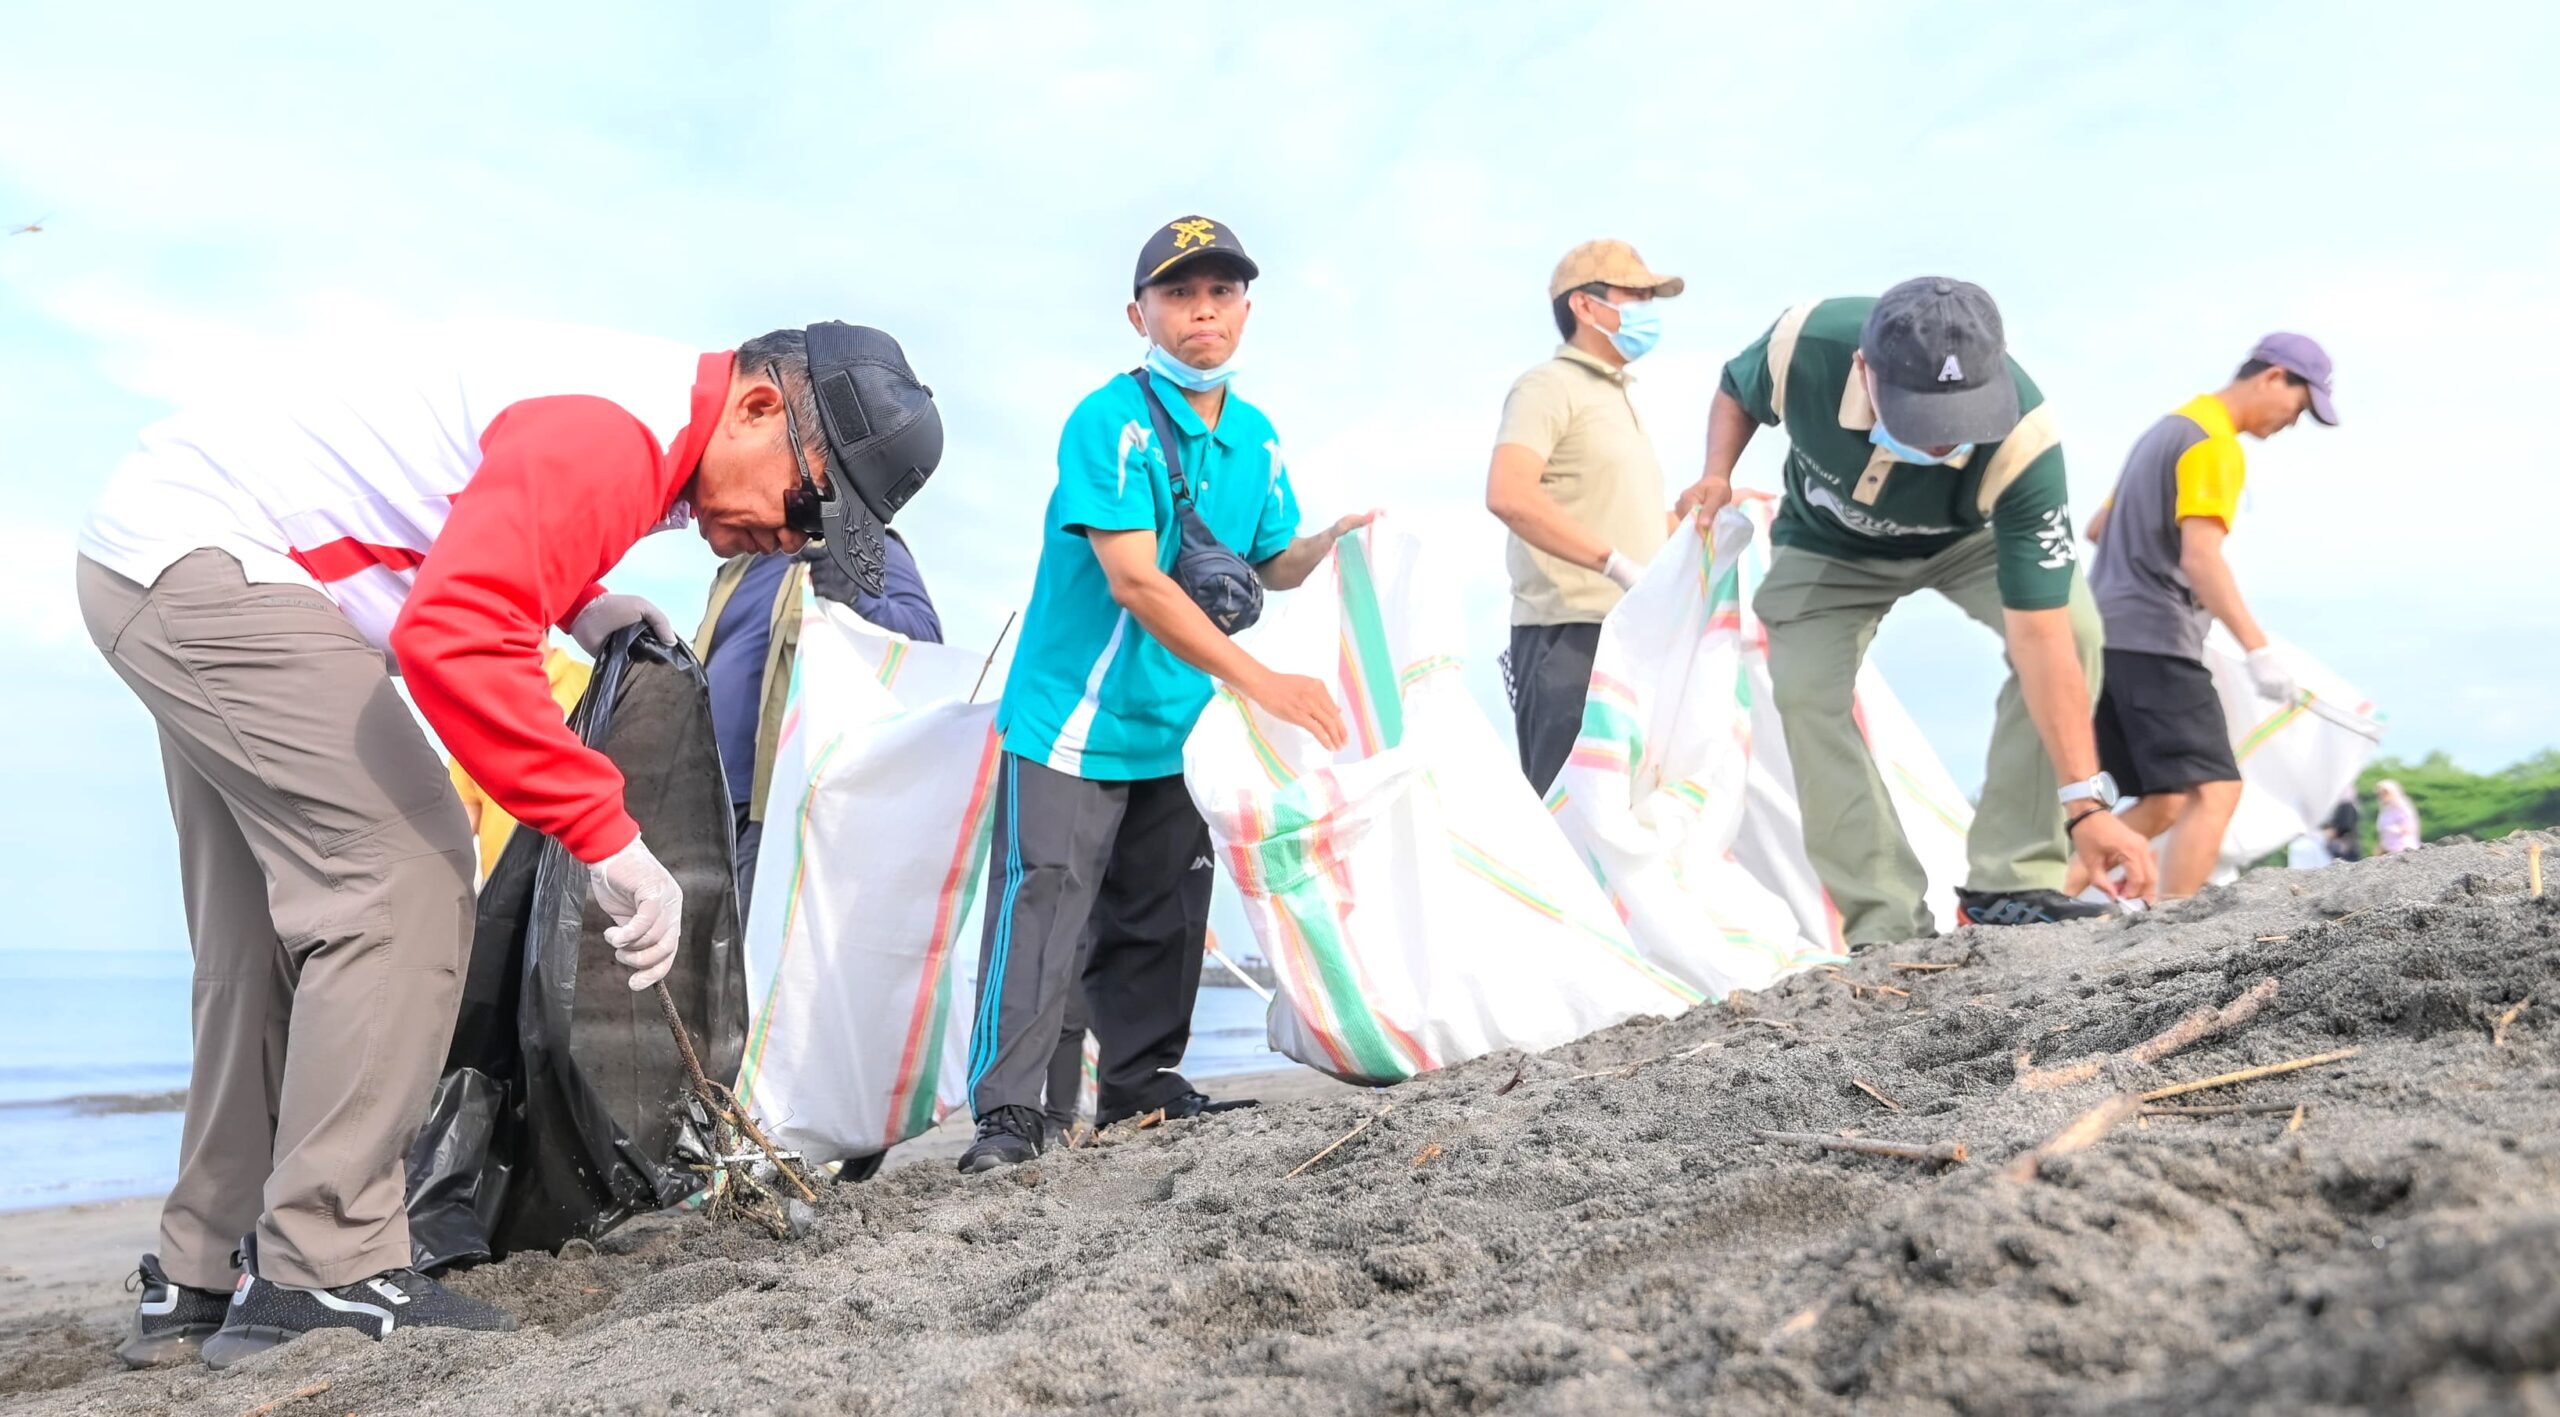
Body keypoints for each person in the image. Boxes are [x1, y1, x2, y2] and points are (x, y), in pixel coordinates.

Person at [75, 321, 940, 1367]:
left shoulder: (630, 413)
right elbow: (456, 631)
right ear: (759, 407)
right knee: (402, 875)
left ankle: (204, 1274)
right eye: (809, 501)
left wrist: (580, 602)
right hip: (222, 564)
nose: (792, 535)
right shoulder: (616, 435)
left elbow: (468, 511)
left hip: (160, 555)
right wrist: (607, 835)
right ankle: (322, 1269)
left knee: (263, 930)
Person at [960, 215, 1369, 1173]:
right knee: (1045, 911)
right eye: (1180, 294)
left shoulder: (1258, 438)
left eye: (1220, 292)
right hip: (1072, 718)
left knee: (1164, 914)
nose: (1202, 311)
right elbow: (1137, 580)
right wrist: (1265, 682)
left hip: (1177, 725)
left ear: (1246, 309)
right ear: (1137, 312)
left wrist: (1337, 543)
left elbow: (1270, 562)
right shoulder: (1111, 421)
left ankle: (1139, 1086)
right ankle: (1015, 1115)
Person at [1674, 278, 2156, 942]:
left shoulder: (2026, 440)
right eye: (1923, 420)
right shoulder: (1803, 345)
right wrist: (1717, 470)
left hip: (1973, 542)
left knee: (2073, 629)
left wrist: (2086, 806)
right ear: (1863, 370)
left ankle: (2012, 881)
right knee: (1808, 695)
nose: (1940, 446)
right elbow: (1737, 388)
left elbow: (2044, 639)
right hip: (1828, 546)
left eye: (1959, 422)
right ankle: (1886, 922)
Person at [2077, 335, 2339, 900]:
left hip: (2105, 632)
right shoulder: (2215, 444)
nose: (2292, 424)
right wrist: (2257, 650)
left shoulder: (2164, 432)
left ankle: (2047, 894)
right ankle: (2174, 927)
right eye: (2299, 408)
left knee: (2166, 796)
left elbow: (2098, 529)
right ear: (2273, 378)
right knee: (2214, 790)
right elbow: (2201, 556)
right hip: (2156, 637)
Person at [1485, 240, 1682, 793]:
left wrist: (1702, 520)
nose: (1649, 307)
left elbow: (1630, 524)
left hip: (1632, 637)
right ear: (1585, 306)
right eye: (1636, 295)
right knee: (1574, 825)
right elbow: (1508, 493)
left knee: (1637, 817)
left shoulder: (1618, 397)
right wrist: (1614, 564)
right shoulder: (1547, 386)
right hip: (1568, 641)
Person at [695, 532, 942, 923]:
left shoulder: (866, 545)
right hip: (702, 799)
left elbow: (927, 638)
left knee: (744, 966)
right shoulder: (742, 562)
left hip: (775, 806)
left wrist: (861, 599)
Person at [448, 642, 592, 885]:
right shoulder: (476, 709)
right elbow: (463, 815)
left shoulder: (592, 687)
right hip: (504, 907)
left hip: (587, 900)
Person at [2377, 779, 2421, 853]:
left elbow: (2409, 827)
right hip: (2389, 849)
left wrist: (2392, 830)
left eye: (2385, 793)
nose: (2382, 795)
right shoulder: (2385, 809)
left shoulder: (2402, 807)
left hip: (2403, 848)